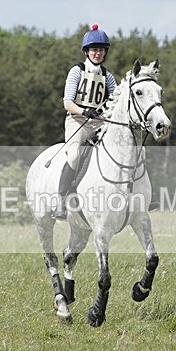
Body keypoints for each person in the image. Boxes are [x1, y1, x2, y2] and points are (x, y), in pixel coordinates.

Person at [52, 24, 117, 220]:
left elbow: (115, 103)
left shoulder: (108, 77)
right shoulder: (76, 72)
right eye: (94, 49)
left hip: (99, 123)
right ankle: (61, 201)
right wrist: (84, 111)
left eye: (101, 50)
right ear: (87, 51)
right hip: (77, 121)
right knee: (73, 156)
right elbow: (67, 103)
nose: (98, 53)